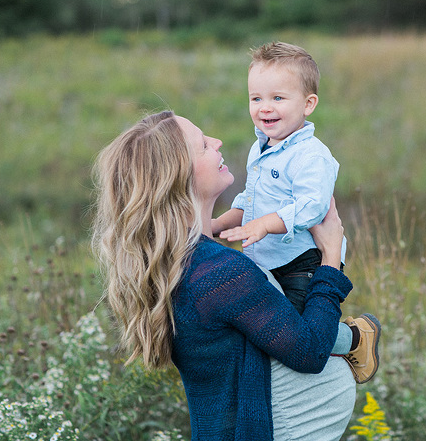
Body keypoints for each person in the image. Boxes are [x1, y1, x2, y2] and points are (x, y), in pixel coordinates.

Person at [91, 111, 371, 441]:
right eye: (204, 145)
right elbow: (308, 352)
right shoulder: (217, 272)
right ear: (180, 176)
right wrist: (330, 261)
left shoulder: (183, 260)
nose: (218, 142)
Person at [212, 42, 380, 383]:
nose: (265, 108)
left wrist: (265, 225)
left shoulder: (310, 155)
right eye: (256, 98)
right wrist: (217, 224)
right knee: (271, 328)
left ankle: (357, 338)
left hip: (302, 261)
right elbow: (250, 199)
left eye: (277, 98)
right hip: (270, 258)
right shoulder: (261, 147)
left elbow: (312, 207)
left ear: (308, 104)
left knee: (299, 332)